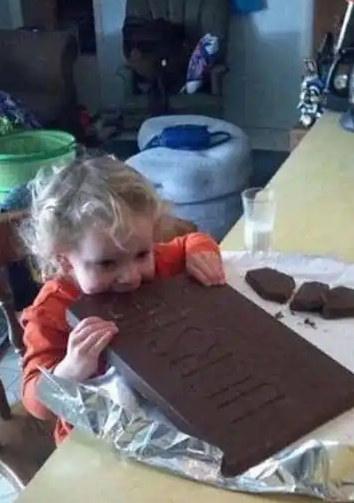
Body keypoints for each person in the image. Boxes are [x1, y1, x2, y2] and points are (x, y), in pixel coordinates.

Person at [19, 154, 226, 445]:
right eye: (107, 264)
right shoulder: (51, 311)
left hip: (174, 402)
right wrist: (70, 370)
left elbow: (191, 240)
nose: (130, 276)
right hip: (94, 436)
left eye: (142, 254)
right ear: (64, 261)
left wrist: (200, 253)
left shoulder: (155, 263)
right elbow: (35, 403)